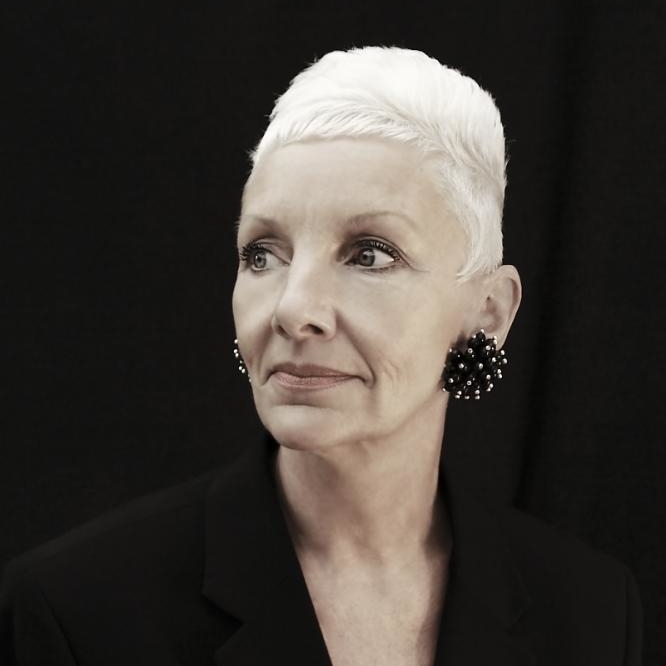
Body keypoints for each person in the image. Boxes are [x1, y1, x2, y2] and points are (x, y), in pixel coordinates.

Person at [0, 46, 642, 666]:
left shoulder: (591, 611)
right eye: (262, 254)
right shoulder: (77, 612)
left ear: (489, 312)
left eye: (369, 254)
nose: (291, 307)